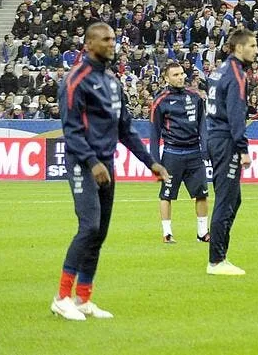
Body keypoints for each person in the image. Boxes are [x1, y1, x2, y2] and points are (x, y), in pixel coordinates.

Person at [51, 22, 169, 321]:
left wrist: (150, 162)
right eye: (105, 39)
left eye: (113, 39)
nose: (111, 43)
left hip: (107, 165)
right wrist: (92, 162)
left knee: (99, 233)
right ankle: (61, 297)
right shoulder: (75, 80)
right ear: (89, 44)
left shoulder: (112, 82)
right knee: (89, 227)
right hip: (84, 163)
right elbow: (71, 130)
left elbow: (125, 129)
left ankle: (83, 298)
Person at [205, 28, 257, 276]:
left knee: (233, 199)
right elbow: (236, 114)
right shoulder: (237, 75)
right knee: (226, 200)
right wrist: (242, 148)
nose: (256, 51)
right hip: (226, 140)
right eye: (252, 46)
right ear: (239, 47)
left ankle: (220, 256)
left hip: (215, 137)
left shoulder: (219, 71)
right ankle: (216, 260)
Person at [150, 62, 210, 244]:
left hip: (194, 153)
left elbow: (202, 124)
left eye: (182, 73)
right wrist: (154, 161)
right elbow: (154, 133)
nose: (180, 77)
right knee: (166, 195)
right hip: (172, 153)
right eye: (175, 75)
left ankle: (202, 233)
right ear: (166, 78)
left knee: (202, 194)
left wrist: (205, 148)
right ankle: (167, 233)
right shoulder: (160, 100)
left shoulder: (195, 96)